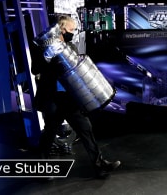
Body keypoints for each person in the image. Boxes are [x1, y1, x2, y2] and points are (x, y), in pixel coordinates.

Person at [31, 14, 120, 179]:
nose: (73, 32)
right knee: (49, 132)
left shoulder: (70, 45)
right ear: (61, 29)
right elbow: (35, 69)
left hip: (69, 98)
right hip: (51, 97)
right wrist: (47, 57)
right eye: (71, 30)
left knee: (85, 128)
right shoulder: (41, 45)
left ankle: (100, 166)